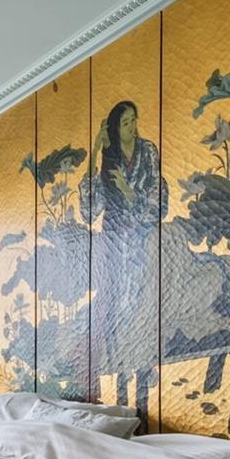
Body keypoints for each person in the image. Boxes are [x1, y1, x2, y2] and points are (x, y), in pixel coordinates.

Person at [84, 100, 159, 409]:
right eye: (126, 123)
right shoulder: (109, 159)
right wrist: (94, 154)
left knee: (140, 301)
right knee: (115, 303)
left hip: (142, 238)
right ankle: (118, 379)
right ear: (114, 129)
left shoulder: (148, 152)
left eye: (134, 120)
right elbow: (90, 210)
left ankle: (143, 373)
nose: (133, 127)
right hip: (113, 242)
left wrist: (129, 193)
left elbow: (158, 200)